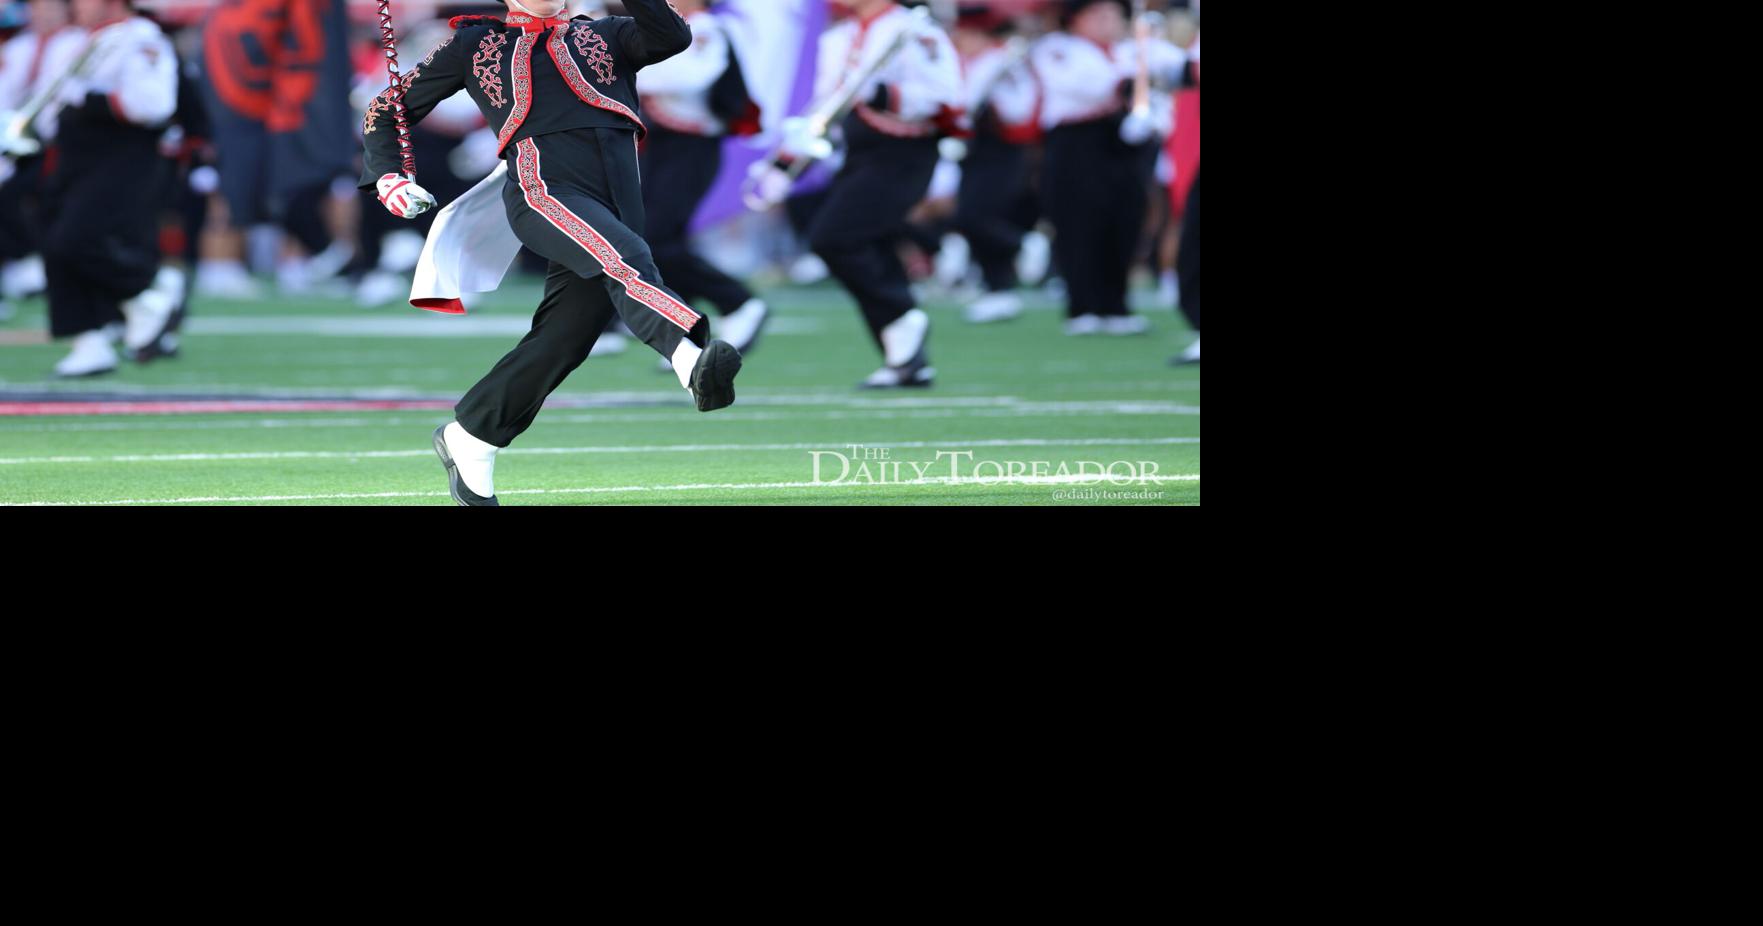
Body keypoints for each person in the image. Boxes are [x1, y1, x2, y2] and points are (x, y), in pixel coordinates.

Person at [361, 0, 742, 507]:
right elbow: (386, 109)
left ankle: (473, 434)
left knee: (567, 335)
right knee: (622, 255)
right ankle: (687, 355)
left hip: (619, 197)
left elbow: (671, 36)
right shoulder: (476, 43)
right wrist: (389, 175)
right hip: (542, 188)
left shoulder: (610, 33)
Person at [807, 0, 961, 389]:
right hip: (856, 152)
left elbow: (946, 96)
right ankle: (905, 358)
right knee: (871, 242)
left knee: (834, 238)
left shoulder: (916, 30)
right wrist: (791, 152)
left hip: (903, 152)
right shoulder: (838, 36)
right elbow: (826, 100)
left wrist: (885, 95)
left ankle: (901, 314)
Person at [39, 0, 180, 376]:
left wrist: (89, 99)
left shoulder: (141, 40)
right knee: (54, 244)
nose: (75, 5)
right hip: (74, 155)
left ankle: (146, 293)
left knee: (76, 239)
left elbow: (153, 103)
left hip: (121, 155)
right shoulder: (75, 41)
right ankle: (88, 340)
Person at [1034, 0, 1185, 336]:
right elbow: (1081, 86)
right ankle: (1082, 305)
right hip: (1076, 142)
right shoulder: (1057, 48)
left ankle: (1116, 304)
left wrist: (1151, 115)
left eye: (1113, 15)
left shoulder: (1136, 49)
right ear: (1076, 20)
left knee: (1126, 218)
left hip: (1123, 143)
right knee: (1079, 222)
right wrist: (1132, 81)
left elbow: (1176, 73)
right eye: (1097, 15)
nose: (1107, 22)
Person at [636, 0, 769, 356]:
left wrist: (634, 69)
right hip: (661, 144)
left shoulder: (709, 29)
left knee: (656, 237)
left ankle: (737, 302)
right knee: (651, 238)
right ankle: (688, 332)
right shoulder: (666, 28)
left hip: (693, 145)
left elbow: (693, 77)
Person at [949, 4, 1038, 324]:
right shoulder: (979, 61)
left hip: (1001, 149)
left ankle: (1023, 243)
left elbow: (1018, 109)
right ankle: (998, 289)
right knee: (971, 215)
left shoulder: (1000, 59)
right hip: (975, 150)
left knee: (974, 216)